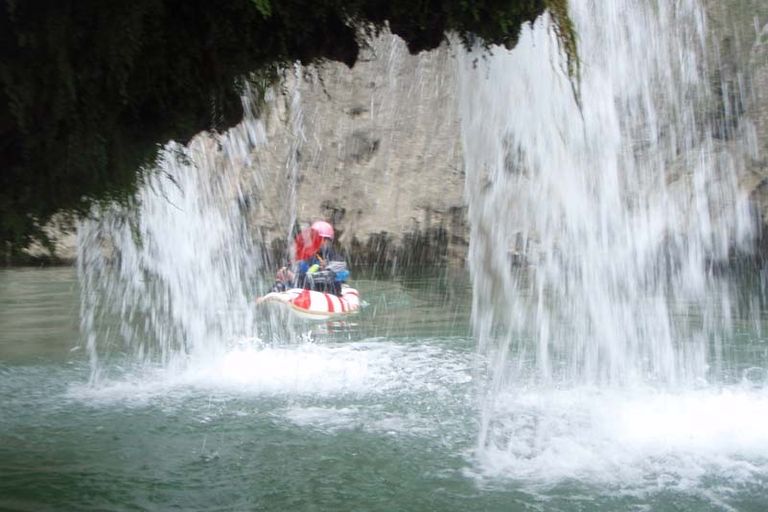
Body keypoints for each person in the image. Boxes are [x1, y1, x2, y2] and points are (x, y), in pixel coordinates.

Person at [273, 220, 350, 295]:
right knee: (280, 284)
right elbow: (301, 273)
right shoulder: (310, 258)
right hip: (305, 288)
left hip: (325, 293)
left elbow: (324, 281)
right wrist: (285, 273)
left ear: (328, 241)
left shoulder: (337, 260)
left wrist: (294, 278)